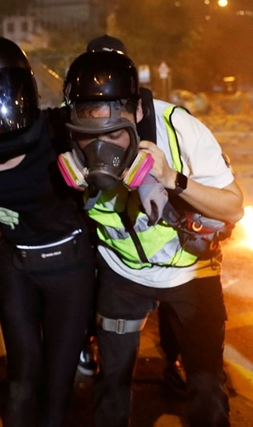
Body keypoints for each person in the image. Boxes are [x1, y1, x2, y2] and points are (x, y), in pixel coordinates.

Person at [62, 50, 243, 427]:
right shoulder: (64, 139)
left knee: (208, 388)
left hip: (192, 273)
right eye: (89, 136)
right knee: (111, 383)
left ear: (138, 113)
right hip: (122, 273)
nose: (102, 150)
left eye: (115, 133)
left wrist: (172, 179)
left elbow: (233, 208)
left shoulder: (178, 127)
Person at [0, 36, 96, 427]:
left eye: (6, 91)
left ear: (26, 90)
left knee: (58, 378)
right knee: (21, 377)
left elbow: (114, 126)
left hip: (71, 265)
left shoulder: (58, 128)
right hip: (15, 264)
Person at [79, 35, 187, 393]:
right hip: (117, 252)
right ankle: (89, 345)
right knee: (89, 285)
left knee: (175, 307)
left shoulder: (161, 118)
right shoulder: (77, 120)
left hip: (168, 249)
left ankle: (173, 360)